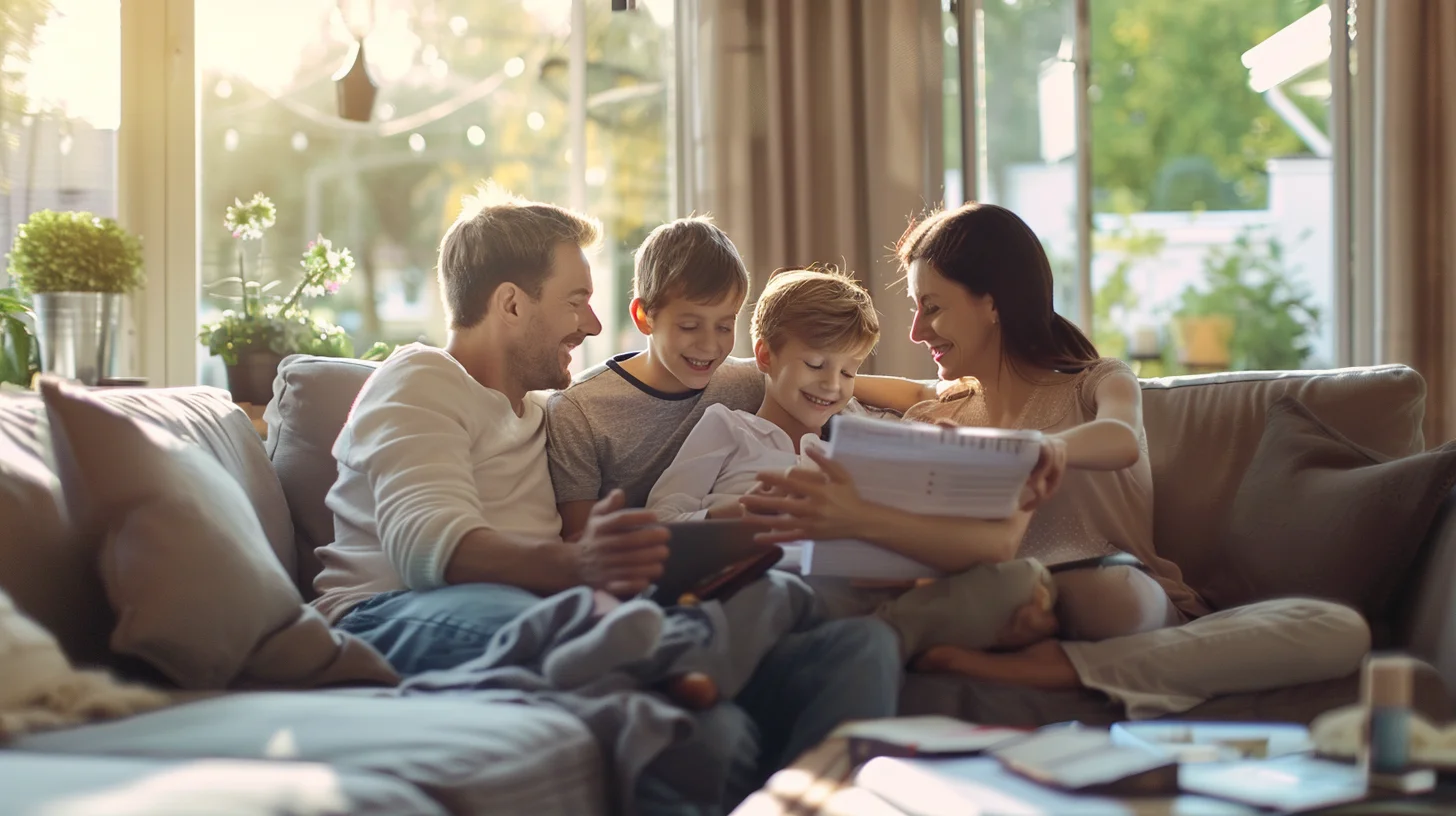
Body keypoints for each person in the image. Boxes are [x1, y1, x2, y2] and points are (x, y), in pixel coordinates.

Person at [312, 189, 897, 814]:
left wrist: (946, 393)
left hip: (560, 606)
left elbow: (812, 370)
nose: (593, 326)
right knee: (670, 693)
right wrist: (582, 565)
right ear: (511, 304)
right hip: (393, 610)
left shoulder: (543, 410)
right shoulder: (419, 380)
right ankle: (665, 646)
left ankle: (676, 654)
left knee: (859, 647)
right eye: (576, 302)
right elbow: (428, 549)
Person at [743, 201, 1371, 720]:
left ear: (993, 302)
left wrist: (1041, 448)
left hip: (1114, 599)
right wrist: (748, 365)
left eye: (931, 306)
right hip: (1001, 609)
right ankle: (1065, 665)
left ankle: (1067, 668)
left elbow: (1119, 438)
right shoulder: (941, 414)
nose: (916, 332)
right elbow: (838, 381)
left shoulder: (1094, 382)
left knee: (1332, 626)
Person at [545, 217, 900, 788]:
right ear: (644, 316)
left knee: (874, 641)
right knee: (774, 593)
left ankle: (827, 798)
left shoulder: (787, 401)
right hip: (715, 595)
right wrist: (732, 519)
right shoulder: (589, 412)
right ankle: (683, 666)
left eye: (724, 325)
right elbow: (599, 546)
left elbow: (830, 369)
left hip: (819, 602)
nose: (710, 347)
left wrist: (943, 399)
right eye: (690, 326)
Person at [646, 266, 1057, 662]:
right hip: (770, 579)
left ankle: (888, 636)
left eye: (849, 371)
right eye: (815, 365)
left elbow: (922, 429)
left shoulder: (858, 437)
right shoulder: (728, 427)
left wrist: (943, 464)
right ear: (765, 356)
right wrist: (735, 513)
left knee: (1021, 579)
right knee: (777, 594)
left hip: (861, 589)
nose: (832, 385)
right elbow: (660, 521)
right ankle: (707, 667)